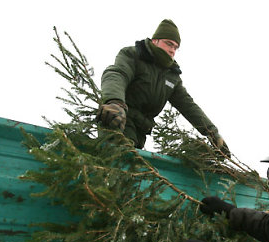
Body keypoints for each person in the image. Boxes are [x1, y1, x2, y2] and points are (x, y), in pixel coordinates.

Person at [96, 19, 229, 155]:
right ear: (155, 41)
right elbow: (117, 74)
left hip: (141, 131)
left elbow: (188, 106)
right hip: (119, 120)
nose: (172, 50)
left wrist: (212, 132)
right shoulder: (133, 55)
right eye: (169, 44)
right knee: (120, 161)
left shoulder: (172, 76)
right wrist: (115, 102)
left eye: (175, 47)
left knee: (134, 165)